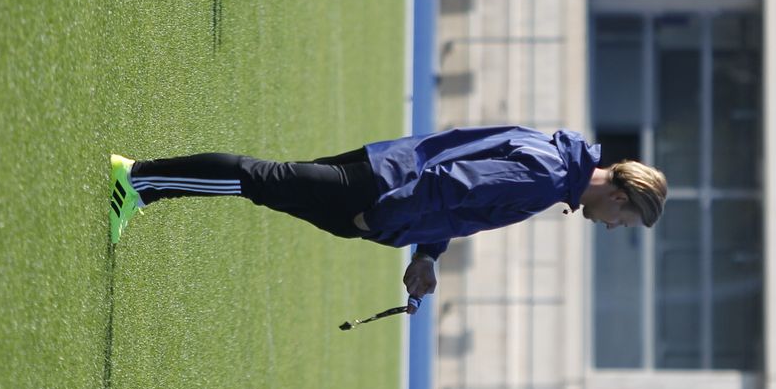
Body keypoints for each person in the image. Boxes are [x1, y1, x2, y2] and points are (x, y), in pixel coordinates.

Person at [108, 125, 668, 299]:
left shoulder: (553, 163)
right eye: (624, 222)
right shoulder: (547, 177)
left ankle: (146, 186)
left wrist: (427, 253)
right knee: (264, 179)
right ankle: (139, 179)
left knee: (264, 183)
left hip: (386, 171)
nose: (614, 228)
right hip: (381, 190)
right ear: (619, 197)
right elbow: (451, 183)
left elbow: (460, 199)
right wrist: (381, 217)